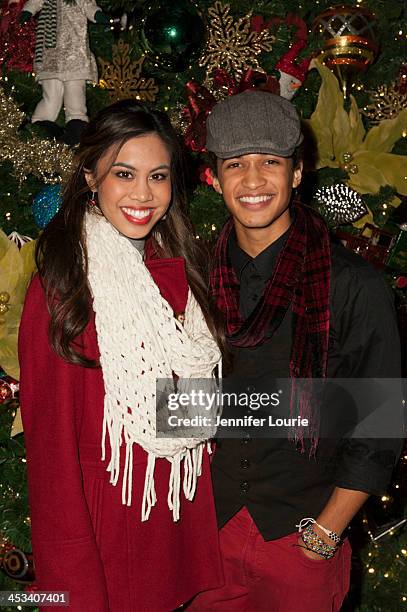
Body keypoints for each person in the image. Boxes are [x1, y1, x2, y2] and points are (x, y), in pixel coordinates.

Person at [187, 91, 402, 611]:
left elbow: (380, 421)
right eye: (236, 164)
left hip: (302, 539)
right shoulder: (191, 281)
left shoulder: (354, 287)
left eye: (270, 162)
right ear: (214, 177)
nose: (254, 180)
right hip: (202, 539)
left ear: (298, 171)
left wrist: (325, 534)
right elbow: (177, 406)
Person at [18, 99, 224, 611]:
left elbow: (189, 419)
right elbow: (52, 462)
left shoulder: (179, 273)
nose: (142, 194)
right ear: (91, 177)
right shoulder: (63, 287)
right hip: (107, 545)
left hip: (173, 530)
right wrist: (72, 591)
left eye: (157, 176)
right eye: (123, 173)